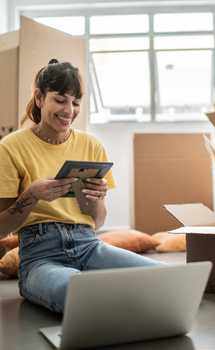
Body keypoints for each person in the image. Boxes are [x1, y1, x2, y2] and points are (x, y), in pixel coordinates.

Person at [0, 59, 161, 313]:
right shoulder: (10, 147)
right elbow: (2, 228)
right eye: (60, 100)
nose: (69, 110)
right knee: (75, 291)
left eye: (75, 103)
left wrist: (93, 200)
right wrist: (31, 195)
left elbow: (98, 222)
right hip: (40, 256)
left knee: (163, 279)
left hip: (89, 245)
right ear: (40, 98)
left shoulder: (92, 145)